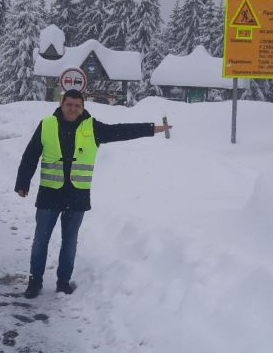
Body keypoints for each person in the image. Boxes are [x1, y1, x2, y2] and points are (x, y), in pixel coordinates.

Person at [15, 89, 172, 298]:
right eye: (69, 104)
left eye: (77, 106)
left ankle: (63, 282)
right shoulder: (47, 125)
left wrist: (151, 129)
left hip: (76, 197)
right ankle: (35, 281)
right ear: (62, 104)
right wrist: (23, 182)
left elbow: (121, 131)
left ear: (82, 107)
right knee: (40, 241)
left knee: (69, 242)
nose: (72, 109)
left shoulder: (92, 127)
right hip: (49, 195)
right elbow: (30, 155)